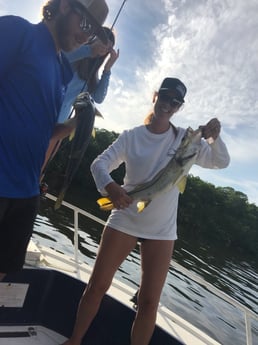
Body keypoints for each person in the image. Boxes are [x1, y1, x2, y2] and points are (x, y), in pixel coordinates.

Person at [62, 77, 230, 345]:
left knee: (149, 303)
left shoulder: (185, 142)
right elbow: (99, 165)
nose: (168, 104)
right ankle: (75, 341)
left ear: (179, 107)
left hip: (162, 230)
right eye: (165, 97)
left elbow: (221, 161)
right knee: (96, 287)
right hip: (125, 216)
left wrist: (214, 139)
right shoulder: (132, 136)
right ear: (155, 96)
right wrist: (112, 189)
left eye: (175, 102)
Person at [0, 0, 109, 282]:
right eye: (85, 23)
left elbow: (44, 130)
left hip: (26, 192)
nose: (87, 36)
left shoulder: (62, 69)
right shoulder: (17, 31)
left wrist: (75, 124)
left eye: (94, 32)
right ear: (62, 6)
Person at [41, 26, 119, 175]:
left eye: (106, 48)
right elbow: (61, 55)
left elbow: (99, 97)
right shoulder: (71, 56)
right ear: (92, 37)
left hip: (57, 130)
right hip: (38, 117)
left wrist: (107, 69)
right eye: (101, 41)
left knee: (33, 174)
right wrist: (89, 50)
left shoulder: (89, 78)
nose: (102, 48)